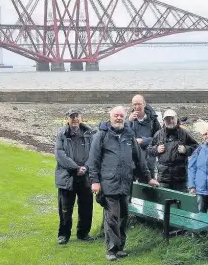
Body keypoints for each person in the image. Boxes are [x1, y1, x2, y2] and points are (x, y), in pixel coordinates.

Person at [87, 106, 160, 261]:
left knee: (124, 216)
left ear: (124, 117)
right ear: (110, 116)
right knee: (112, 216)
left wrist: (148, 178)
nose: (118, 118)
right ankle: (111, 250)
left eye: (121, 115)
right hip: (109, 183)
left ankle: (120, 247)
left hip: (126, 183)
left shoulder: (129, 135)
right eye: (116, 115)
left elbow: (139, 160)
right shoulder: (102, 135)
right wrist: (95, 181)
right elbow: (93, 161)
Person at [54, 109, 96, 245]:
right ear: (67, 119)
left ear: (81, 118)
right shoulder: (62, 134)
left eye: (77, 117)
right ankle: (64, 235)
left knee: (86, 207)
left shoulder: (89, 133)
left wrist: (85, 168)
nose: (75, 119)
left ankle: (83, 233)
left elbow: (94, 153)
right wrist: (76, 168)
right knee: (65, 209)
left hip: (85, 176)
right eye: (72, 117)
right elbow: (60, 154)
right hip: (67, 175)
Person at [147, 109, 199, 192]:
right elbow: (149, 150)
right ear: (164, 120)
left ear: (176, 119)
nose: (170, 121)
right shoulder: (158, 134)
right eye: (167, 119)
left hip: (180, 179)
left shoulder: (184, 133)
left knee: (181, 203)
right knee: (165, 204)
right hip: (163, 179)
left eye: (172, 118)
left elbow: (197, 148)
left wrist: (186, 149)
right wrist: (156, 149)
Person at [127, 94, 162, 179]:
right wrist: (128, 122)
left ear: (144, 104)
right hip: (132, 161)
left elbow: (159, 139)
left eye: (139, 104)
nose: (137, 106)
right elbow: (122, 137)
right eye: (134, 104)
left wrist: (144, 141)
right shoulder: (129, 120)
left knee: (149, 188)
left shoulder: (153, 120)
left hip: (148, 160)